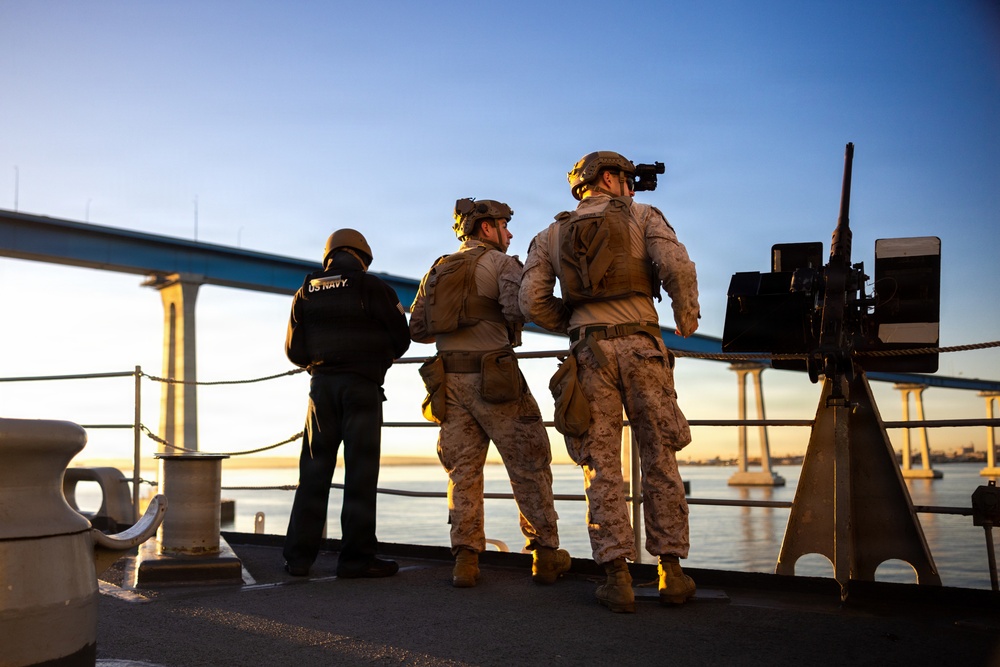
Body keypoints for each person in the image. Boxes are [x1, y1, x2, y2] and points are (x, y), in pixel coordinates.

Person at [519, 151, 701, 613]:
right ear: (607, 179)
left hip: (589, 355)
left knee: (600, 465)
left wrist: (576, 323)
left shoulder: (548, 235)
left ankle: (616, 577)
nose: (632, 189)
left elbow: (530, 300)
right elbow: (677, 266)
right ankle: (671, 574)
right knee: (660, 456)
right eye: (627, 180)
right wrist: (686, 313)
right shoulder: (643, 215)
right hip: (642, 349)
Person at [410, 198, 571, 588]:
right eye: (504, 225)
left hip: (449, 382)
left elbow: (418, 329)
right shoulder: (502, 263)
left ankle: (465, 560)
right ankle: (544, 554)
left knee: (462, 472)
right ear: (486, 227)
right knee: (529, 463)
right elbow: (519, 310)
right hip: (495, 378)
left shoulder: (436, 269)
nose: (509, 233)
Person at [283, 228, 411, 578]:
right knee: (360, 475)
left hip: (321, 391)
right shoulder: (374, 287)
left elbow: (294, 351)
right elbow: (401, 339)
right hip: (362, 390)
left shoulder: (305, 291)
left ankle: (298, 559)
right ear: (363, 257)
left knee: (313, 473)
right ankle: (356, 560)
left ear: (329, 256)